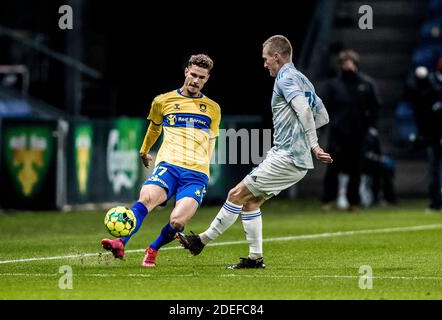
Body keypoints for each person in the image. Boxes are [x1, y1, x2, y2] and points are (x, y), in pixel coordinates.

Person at [176, 35, 332, 269]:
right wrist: (300, 137)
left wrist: (313, 144)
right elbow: (323, 116)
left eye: (266, 58)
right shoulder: (302, 79)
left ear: (276, 57)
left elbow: (305, 111)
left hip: (287, 156)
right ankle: (255, 258)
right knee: (251, 203)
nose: (264, 63)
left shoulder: (286, 77)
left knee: (235, 194)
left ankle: (200, 241)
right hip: (294, 159)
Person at [101, 54, 221, 267]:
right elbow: (155, 127)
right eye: (193, 74)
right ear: (186, 71)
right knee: (146, 199)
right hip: (169, 166)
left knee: (177, 221)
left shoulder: (212, 108)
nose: (195, 80)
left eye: (201, 77)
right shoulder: (162, 101)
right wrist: (144, 150)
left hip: (196, 175)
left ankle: (153, 248)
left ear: (207, 79)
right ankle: (120, 242)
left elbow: (211, 140)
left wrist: (203, 168)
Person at [321, 50, 381, 211]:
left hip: (359, 133)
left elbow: (375, 107)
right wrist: (325, 128)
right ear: (340, 65)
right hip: (338, 133)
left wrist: (370, 127)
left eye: (350, 62)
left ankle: (354, 201)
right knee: (333, 167)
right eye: (344, 62)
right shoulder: (332, 85)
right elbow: (324, 109)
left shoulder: (367, 84)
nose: (347, 65)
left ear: (355, 63)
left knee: (356, 169)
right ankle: (328, 200)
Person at [405, 58, 442, 212]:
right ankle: (435, 202)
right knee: (434, 169)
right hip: (433, 133)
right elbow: (418, 101)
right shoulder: (429, 83)